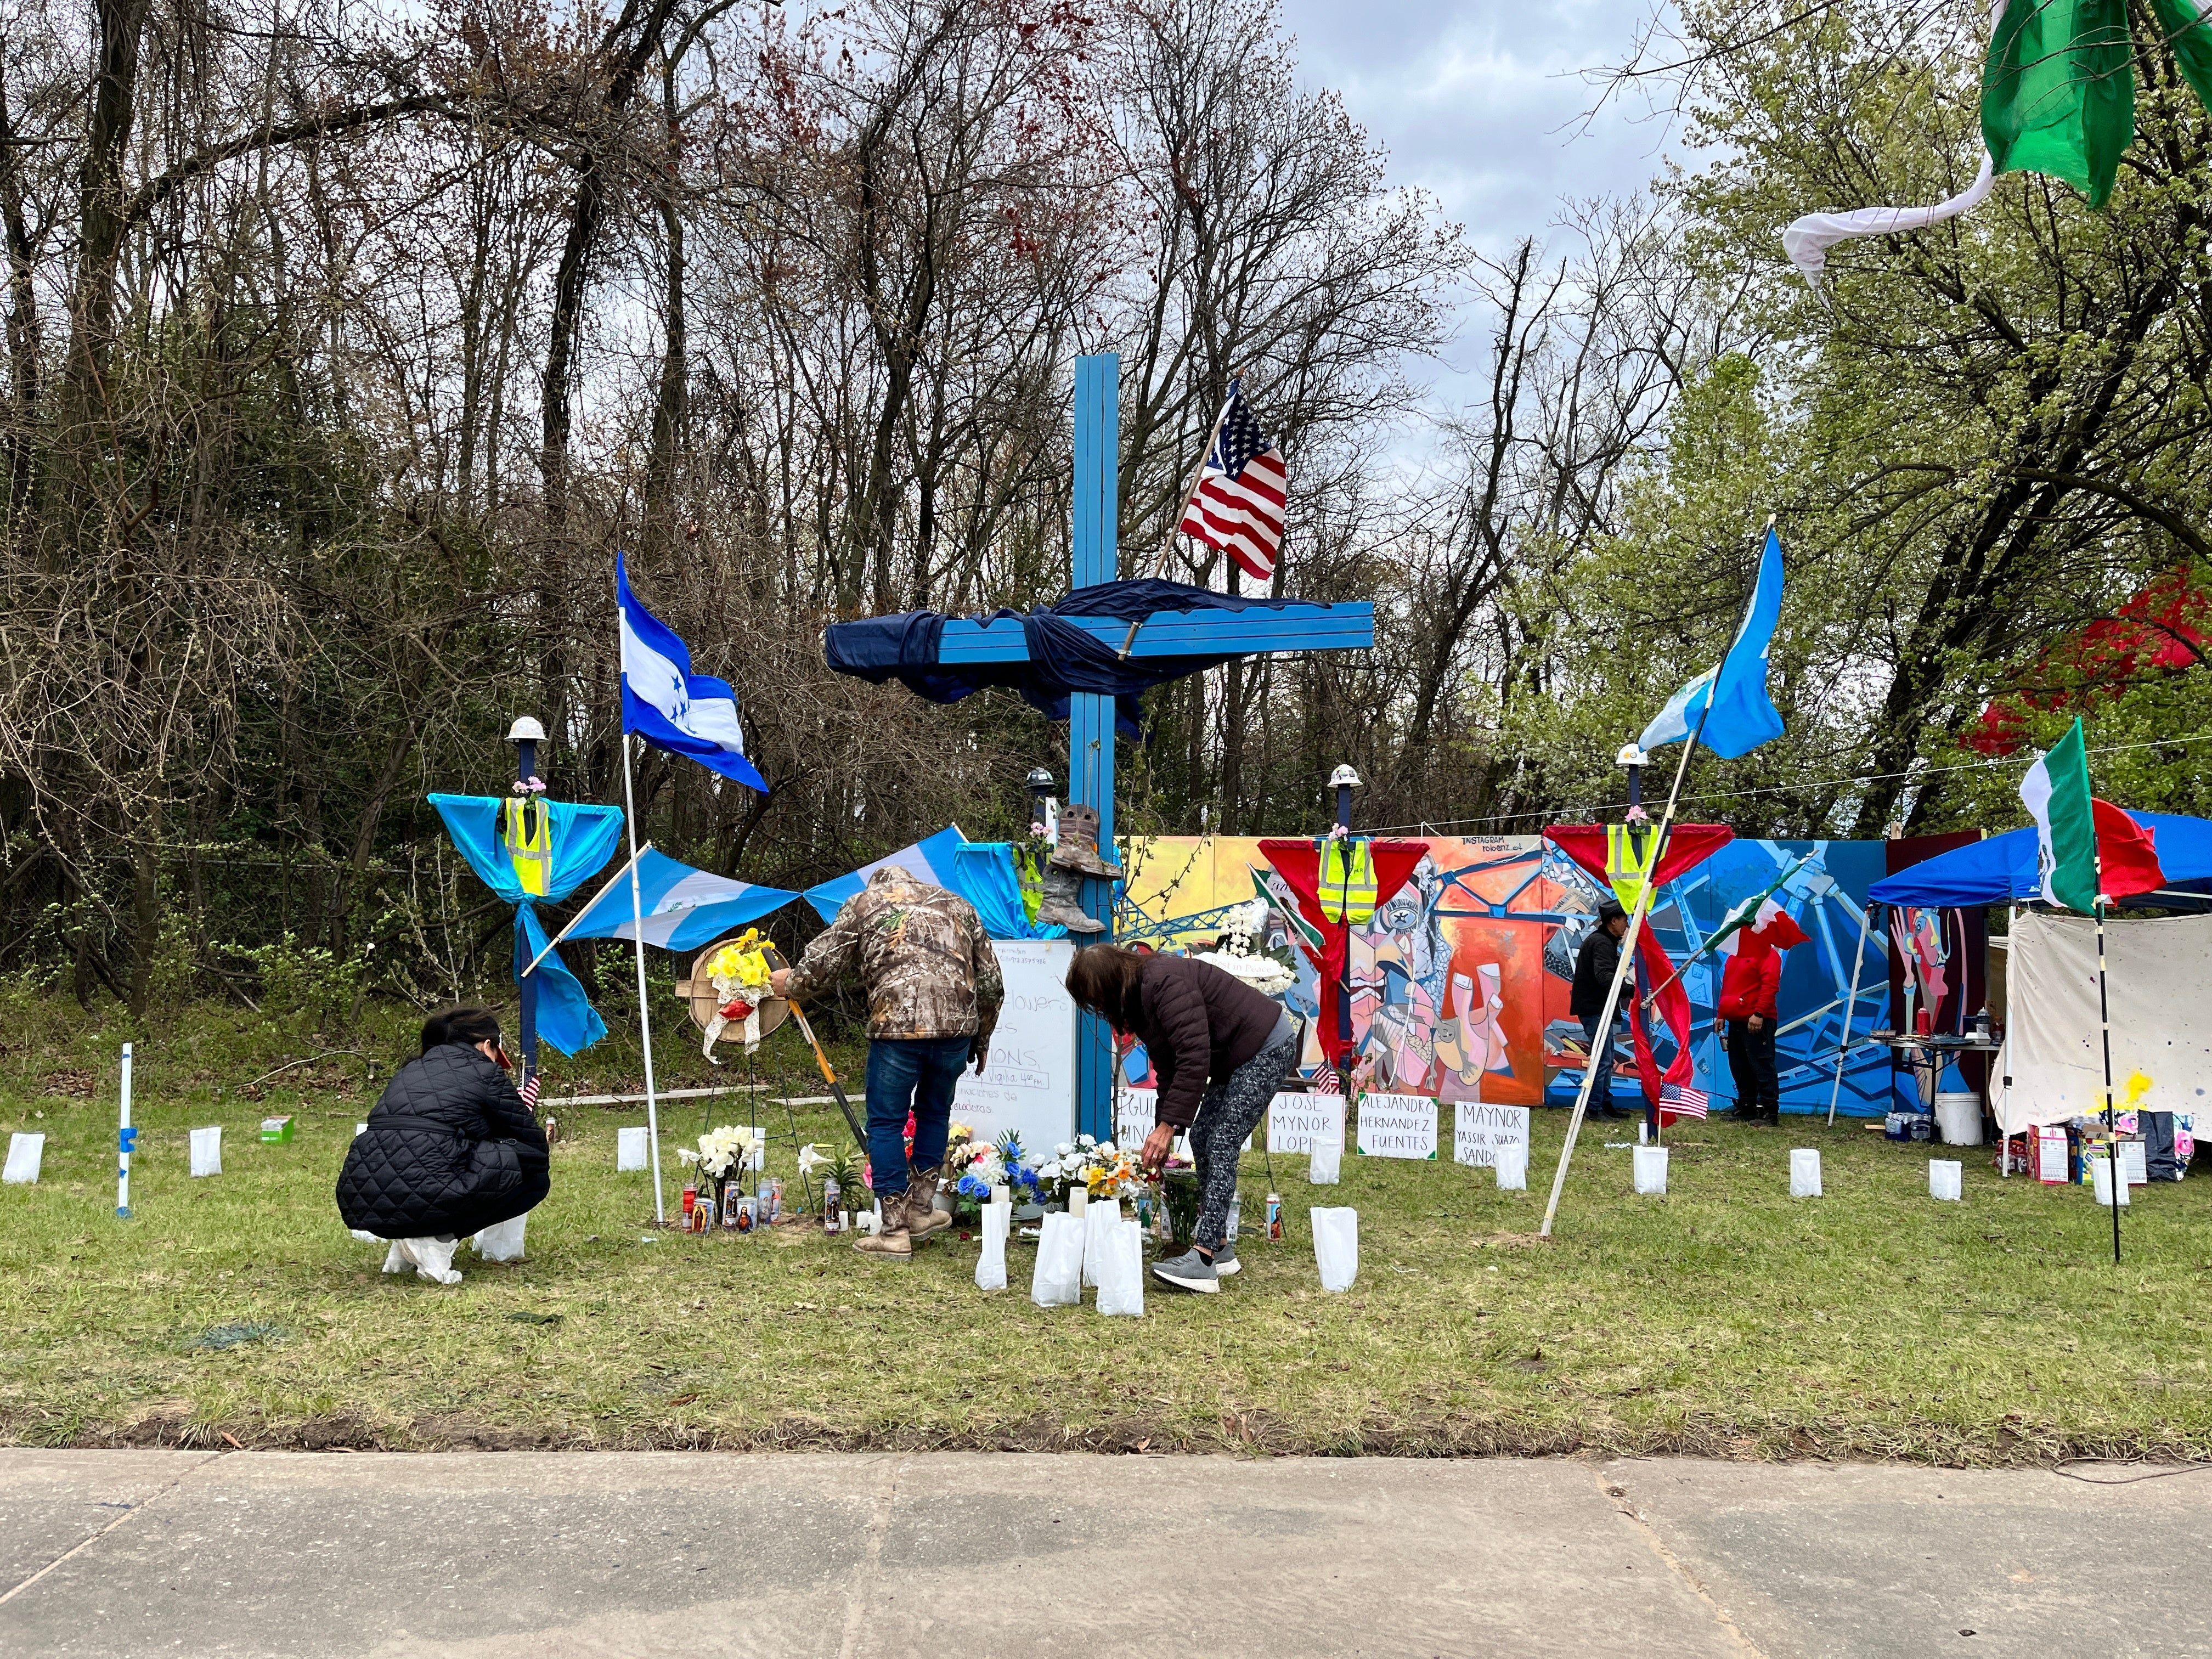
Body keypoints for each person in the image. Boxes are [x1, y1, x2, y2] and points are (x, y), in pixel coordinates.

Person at [769, 864, 1002, 1261]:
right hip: (955, 1030)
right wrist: (982, 1038)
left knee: (886, 1123)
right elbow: (992, 981)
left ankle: (894, 1231)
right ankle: (922, 1211)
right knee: (933, 1114)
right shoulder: (959, 905)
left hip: (897, 1028)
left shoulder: (865, 903)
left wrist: (790, 984)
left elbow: (824, 963)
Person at [1063, 944, 1298, 1296]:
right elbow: (1169, 1066)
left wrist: (1168, 1126)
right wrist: (1165, 1127)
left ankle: (1203, 1261)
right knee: (1203, 1137)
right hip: (1233, 1054)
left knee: (1221, 1142)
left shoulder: (1164, 982)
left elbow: (1193, 1055)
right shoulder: (1139, 999)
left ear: (1110, 984)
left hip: (1265, 1046)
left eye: (1096, 999)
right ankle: (1220, 1246)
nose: (1097, 1009)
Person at [336, 1006, 550, 1285]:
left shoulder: (409, 1070)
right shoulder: (486, 1073)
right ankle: (438, 1238)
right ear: (487, 1046)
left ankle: (407, 1242)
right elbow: (531, 1142)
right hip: (427, 1190)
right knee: (533, 1171)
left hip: (363, 1198)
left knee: (428, 1155)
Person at [1570, 900, 1633, 1120]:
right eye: (1625, 920)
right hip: (1596, 1010)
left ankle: (1604, 1103)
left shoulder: (1602, 941)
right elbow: (1604, 977)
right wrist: (1629, 990)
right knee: (1602, 1060)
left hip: (1597, 1009)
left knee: (1604, 1058)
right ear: (1613, 921)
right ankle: (1595, 1108)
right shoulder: (1603, 943)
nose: (1627, 925)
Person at [1718, 944, 1782, 1124]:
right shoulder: (1734, 956)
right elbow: (1728, 986)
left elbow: (1770, 986)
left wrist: (1760, 1013)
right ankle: (1748, 1107)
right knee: (1739, 1066)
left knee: (1761, 1065)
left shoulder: (1768, 954)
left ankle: (1769, 1112)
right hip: (1736, 1020)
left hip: (1757, 1019)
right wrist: (1722, 1014)